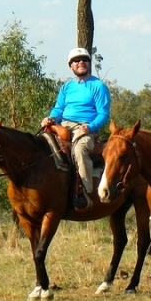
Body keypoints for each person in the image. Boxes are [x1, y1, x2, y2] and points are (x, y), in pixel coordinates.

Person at [41, 47, 110, 210]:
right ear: (71, 66)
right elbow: (59, 108)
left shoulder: (98, 86)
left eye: (84, 60)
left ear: (89, 64)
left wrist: (90, 127)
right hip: (63, 124)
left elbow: (104, 113)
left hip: (85, 127)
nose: (81, 63)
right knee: (42, 145)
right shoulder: (66, 87)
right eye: (76, 61)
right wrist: (51, 118)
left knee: (79, 150)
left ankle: (84, 192)